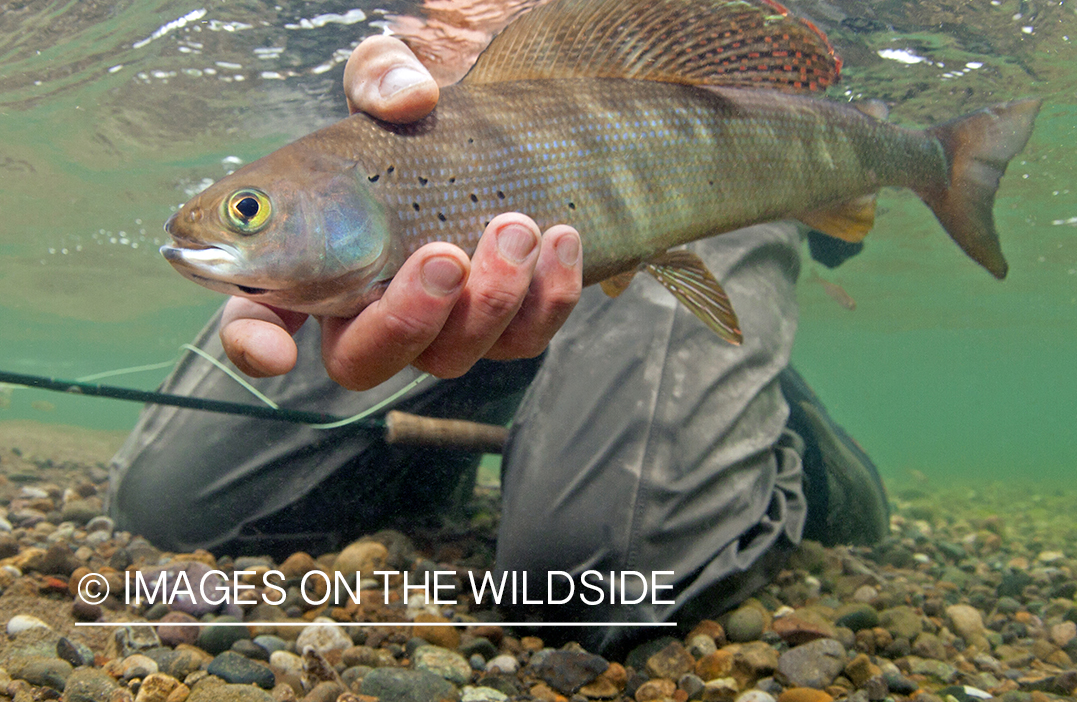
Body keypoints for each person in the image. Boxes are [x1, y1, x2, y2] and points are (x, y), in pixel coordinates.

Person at [108, 36, 888, 654]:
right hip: (456, 204)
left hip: (677, 181)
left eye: (247, 211)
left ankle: (780, 437)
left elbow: (842, 200)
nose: (234, 225)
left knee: (595, 586)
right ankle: (440, 464)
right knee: (162, 505)